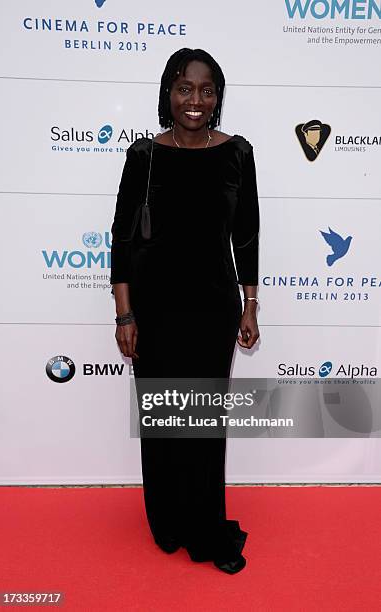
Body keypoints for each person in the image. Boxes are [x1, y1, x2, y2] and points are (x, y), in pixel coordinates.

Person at [110, 48, 260, 574]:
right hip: (154, 308)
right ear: (167, 95)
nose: (195, 100)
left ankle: (203, 524)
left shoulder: (237, 154)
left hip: (213, 306)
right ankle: (168, 521)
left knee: (201, 421)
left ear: (217, 97)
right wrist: (124, 314)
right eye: (184, 88)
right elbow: (122, 236)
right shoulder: (144, 156)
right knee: (163, 418)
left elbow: (246, 235)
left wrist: (251, 304)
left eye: (206, 89)